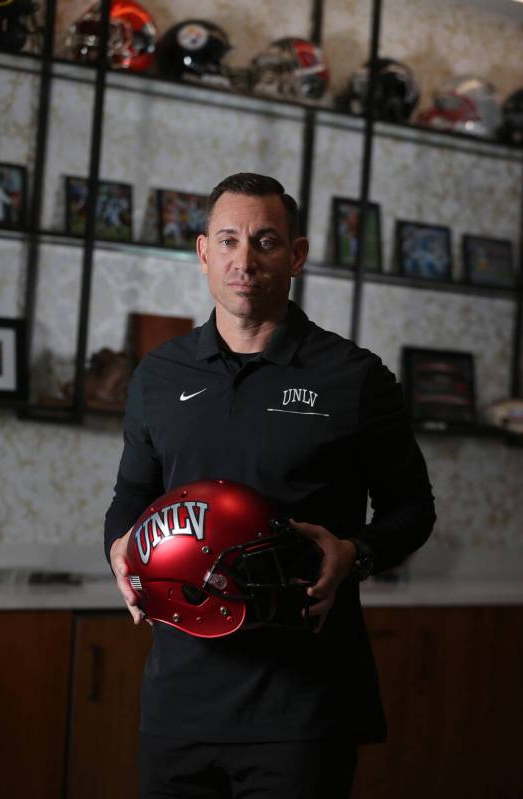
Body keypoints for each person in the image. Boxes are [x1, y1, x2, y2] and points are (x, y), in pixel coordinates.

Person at [104, 172, 436, 799]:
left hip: (302, 705)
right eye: (227, 240)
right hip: (179, 703)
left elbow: (413, 509)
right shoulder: (157, 374)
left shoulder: (354, 378)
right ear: (204, 254)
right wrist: (118, 547)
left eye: (265, 241)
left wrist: (356, 553)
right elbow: (131, 494)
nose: (244, 260)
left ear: (297, 255)